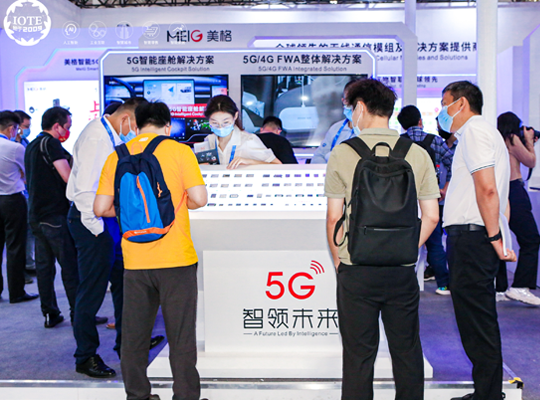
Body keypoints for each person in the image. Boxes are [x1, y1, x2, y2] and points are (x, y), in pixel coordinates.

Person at [325, 79, 440, 400]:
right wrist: (405, 247)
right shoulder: (417, 153)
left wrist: (340, 261)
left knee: (358, 355)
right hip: (401, 270)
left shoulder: (342, 153)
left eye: (352, 108)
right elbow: (431, 216)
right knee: (407, 350)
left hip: (357, 268)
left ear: (361, 108)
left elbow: (334, 218)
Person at [94, 101, 207, 400]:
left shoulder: (116, 156)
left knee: (134, 336)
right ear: (167, 126)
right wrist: (177, 204)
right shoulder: (180, 151)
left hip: (135, 261)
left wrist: (131, 212)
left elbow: (100, 208)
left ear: (136, 125)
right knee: (181, 335)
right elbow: (200, 198)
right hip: (177, 259)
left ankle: (138, 396)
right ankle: (185, 396)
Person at [439, 81, 516, 400]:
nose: (442, 112)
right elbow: (499, 194)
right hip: (475, 237)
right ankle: (486, 390)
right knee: (477, 319)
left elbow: (488, 189)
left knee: (477, 321)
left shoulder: (474, 132)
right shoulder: (482, 133)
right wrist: (497, 233)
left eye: (444, 104)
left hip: (473, 238)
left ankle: (488, 394)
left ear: (461, 103)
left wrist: (494, 236)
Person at [67, 98, 148, 378]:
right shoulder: (96, 138)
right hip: (92, 223)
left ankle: (128, 344)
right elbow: (85, 193)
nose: (135, 132)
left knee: (125, 282)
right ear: (126, 118)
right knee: (92, 291)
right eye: (136, 126)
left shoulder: (111, 135)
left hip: (107, 221)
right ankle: (85, 356)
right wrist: (99, 231)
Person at [24, 106, 79, 328]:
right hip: (55, 214)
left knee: (45, 268)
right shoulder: (51, 144)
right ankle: (79, 314)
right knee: (69, 265)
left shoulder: (32, 145)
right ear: (57, 126)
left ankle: (50, 314)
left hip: (36, 214)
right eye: (67, 126)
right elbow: (67, 176)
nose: (68, 131)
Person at [397, 105, 453, 295]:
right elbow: (453, 163)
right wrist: (445, 188)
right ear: (420, 120)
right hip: (430, 197)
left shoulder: (398, 143)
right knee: (434, 243)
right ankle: (443, 284)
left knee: (403, 240)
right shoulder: (435, 140)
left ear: (402, 125)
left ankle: (403, 284)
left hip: (403, 199)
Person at [495, 112, 540, 305]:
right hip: (514, 190)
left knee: (501, 238)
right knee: (531, 240)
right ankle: (520, 286)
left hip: (502, 192)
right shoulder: (512, 139)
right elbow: (530, 161)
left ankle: (499, 288)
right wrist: (529, 142)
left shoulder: (498, 140)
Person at [0, 111, 38, 304]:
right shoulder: (15, 148)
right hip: (12, 200)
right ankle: (16, 292)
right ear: (11, 128)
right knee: (15, 247)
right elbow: (27, 172)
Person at [200, 95, 281, 169]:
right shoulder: (209, 141)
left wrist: (249, 162)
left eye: (226, 122)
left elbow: (278, 165)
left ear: (235, 116)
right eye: (215, 123)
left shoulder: (248, 140)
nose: (220, 127)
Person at [311, 80, 358, 164]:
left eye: (355, 101)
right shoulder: (335, 128)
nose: (351, 105)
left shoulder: (371, 129)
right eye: (348, 100)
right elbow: (318, 156)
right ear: (343, 101)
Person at [13, 110, 36, 280]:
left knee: (28, 231)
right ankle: (21, 270)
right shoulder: (12, 147)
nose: (27, 129)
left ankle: (28, 263)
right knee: (18, 235)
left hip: (27, 192)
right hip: (16, 193)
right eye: (25, 126)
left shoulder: (25, 142)